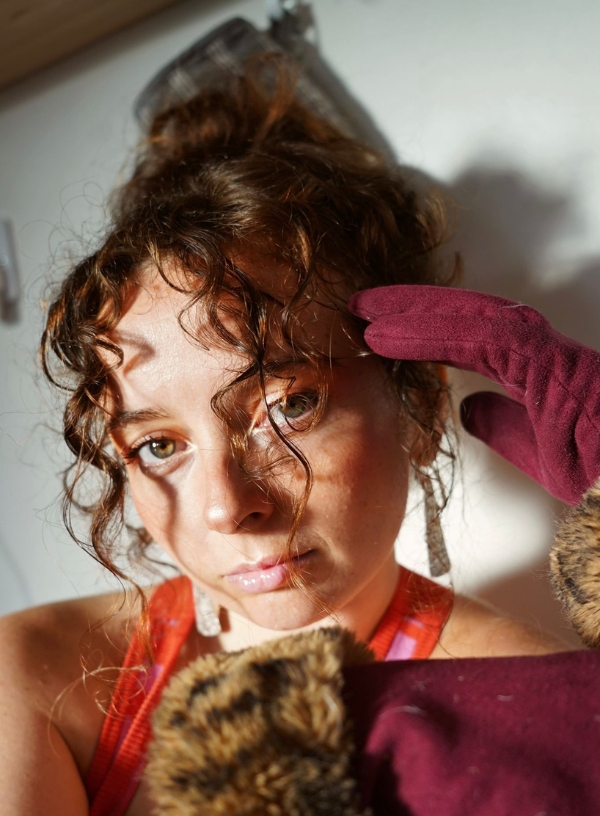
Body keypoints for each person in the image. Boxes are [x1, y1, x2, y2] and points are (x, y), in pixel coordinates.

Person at [0, 58, 575, 816]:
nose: (226, 507)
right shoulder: (41, 679)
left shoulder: (542, 704)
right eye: (159, 446)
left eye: (289, 407)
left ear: (423, 407)